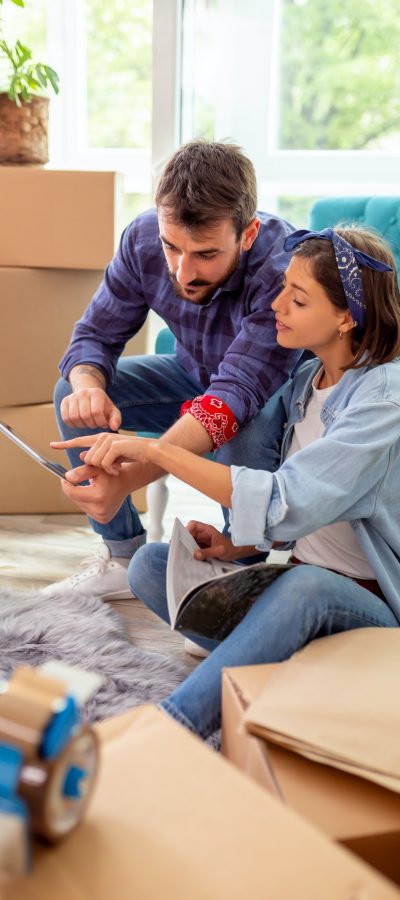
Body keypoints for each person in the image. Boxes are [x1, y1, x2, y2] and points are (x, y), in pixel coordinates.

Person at [53, 224, 400, 741]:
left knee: (305, 588)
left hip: (364, 611)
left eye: (297, 299)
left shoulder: (382, 401)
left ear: (347, 317)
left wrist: (156, 450)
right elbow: (308, 518)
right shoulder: (308, 383)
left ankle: (168, 732)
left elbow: (292, 503)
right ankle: (275, 666)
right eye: (282, 288)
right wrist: (235, 544)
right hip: (297, 579)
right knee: (151, 566)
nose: (275, 305)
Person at [43, 140, 301, 603]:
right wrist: (87, 385)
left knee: (244, 424)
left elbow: (234, 397)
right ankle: (121, 556)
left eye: (205, 254)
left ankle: (234, 572)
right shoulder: (142, 238)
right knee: (70, 387)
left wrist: (128, 477)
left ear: (247, 233)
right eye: (172, 247)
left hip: (270, 403)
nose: (183, 272)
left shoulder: (280, 267)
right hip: (192, 377)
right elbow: (94, 337)